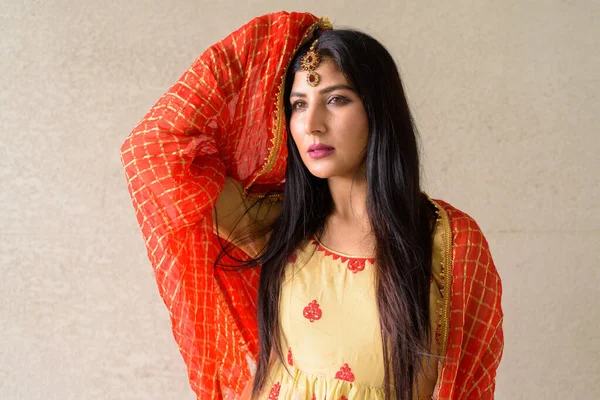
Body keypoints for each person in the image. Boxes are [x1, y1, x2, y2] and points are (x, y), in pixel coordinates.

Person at [120, 11, 503, 400]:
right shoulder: (278, 224)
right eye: (298, 105)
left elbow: (469, 385)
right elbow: (152, 149)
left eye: (336, 99)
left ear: (379, 111)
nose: (312, 124)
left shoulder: (447, 240)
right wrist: (277, 40)